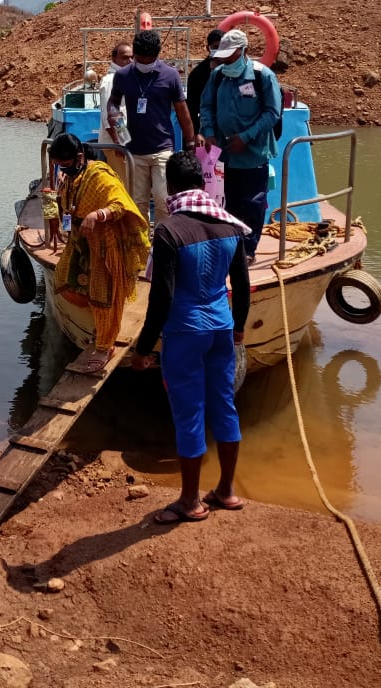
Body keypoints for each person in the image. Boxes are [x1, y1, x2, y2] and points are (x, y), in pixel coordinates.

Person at [131, 151, 251, 524]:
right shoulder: (230, 225)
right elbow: (243, 288)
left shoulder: (169, 230)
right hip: (220, 328)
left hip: (185, 332)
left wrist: (144, 347)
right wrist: (239, 329)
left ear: (170, 185)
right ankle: (227, 490)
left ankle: (190, 501)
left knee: (189, 414)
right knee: (224, 406)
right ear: (201, 182)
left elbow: (161, 297)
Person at [49, 133, 151, 374]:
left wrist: (98, 215)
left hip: (105, 246)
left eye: (64, 164)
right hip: (80, 244)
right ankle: (99, 326)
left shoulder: (100, 175)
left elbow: (121, 204)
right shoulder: (71, 177)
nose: (62, 170)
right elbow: (64, 203)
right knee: (65, 281)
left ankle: (105, 347)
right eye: (58, 166)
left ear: (79, 157)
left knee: (105, 298)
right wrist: (53, 214)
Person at [199, 28, 284, 265]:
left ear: (243, 51)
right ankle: (229, 245)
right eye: (223, 56)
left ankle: (248, 249)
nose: (226, 60)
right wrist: (209, 133)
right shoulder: (217, 77)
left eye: (230, 56)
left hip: (253, 153)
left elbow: (272, 113)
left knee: (252, 202)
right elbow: (206, 107)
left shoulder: (262, 76)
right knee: (227, 200)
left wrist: (246, 137)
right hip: (224, 154)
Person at [107, 29, 198, 225]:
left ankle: (162, 243)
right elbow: (113, 103)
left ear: (158, 55)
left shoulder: (170, 75)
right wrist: (121, 133)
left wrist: (190, 144)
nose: (145, 64)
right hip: (134, 151)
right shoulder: (123, 76)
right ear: (135, 55)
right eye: (141, 59)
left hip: (163, 149)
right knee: (137, 203)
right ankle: (140, 247)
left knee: (163, 200)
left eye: (150, 60)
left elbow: (183, 113)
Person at [98, 41, 134, 183]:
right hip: (117, 144)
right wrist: (121, 141)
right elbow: (111, 114)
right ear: (114, 59)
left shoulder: (126, 78)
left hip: (125, 141)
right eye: (125, 58)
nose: (130, 61)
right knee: (125, 183)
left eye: (132, 57)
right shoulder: (111, 81)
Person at [185, 28, 224, 136]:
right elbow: (192, 109)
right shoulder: (197, 74)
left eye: (222, 47)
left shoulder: (232, 71)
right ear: (208, 48)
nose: (219, 51)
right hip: (205, 133)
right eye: (215, 47)